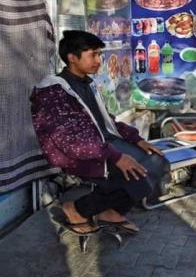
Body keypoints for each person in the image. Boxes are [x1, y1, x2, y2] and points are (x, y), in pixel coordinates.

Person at [30, 30, 170, 235]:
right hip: (79, 154)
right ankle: (76, 209)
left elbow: (107, 121)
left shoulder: (88, 84)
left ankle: (110, 211)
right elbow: (70, 141)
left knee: (159, 161)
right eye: (93, 55)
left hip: (104, 145)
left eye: (99, 55)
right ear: (72, 58)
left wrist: (136, 139)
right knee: (140, 175)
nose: (98, 60)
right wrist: (117, 157)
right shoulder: (54, 91)